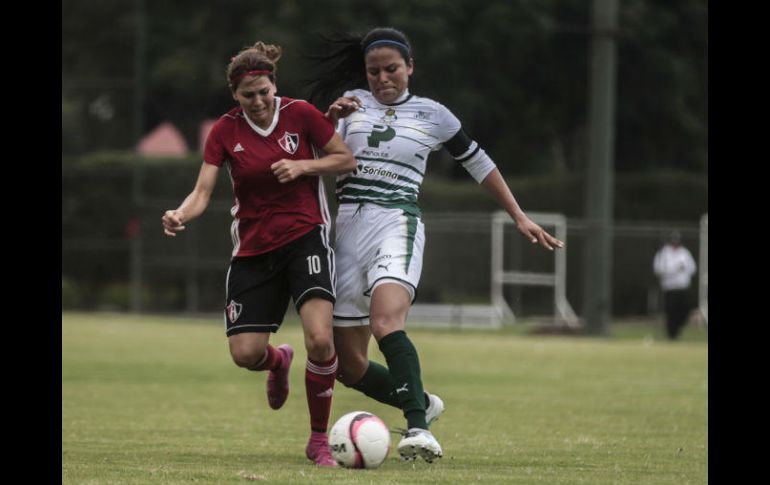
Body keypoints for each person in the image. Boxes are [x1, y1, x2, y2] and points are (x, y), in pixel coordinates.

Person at [304, 27, 564, 463]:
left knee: (388, 322)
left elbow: (479, 163)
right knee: (349, 366)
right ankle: (421, 400)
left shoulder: (434, 115)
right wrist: (329, 118)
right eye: (374, 71)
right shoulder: (350, 103)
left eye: (392, 69)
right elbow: (316, 153)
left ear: (410, 67)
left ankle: (419, 431)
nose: (383, 78)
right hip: (346, 229)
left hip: (395, 223)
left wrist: (518, 215)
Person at [161, 41, 356, 467]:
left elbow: (345, 159)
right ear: (235, 95)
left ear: (274, 86)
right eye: (248, 95)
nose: (258, 101)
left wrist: (304, 166)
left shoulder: (302, 114)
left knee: (321, 340)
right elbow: (202, 192)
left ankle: (319, 440)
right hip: (253, 250)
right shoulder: (224, 132)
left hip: (307, 239)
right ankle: (277, 359)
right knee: (245, 354)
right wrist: (180, 214)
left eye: (264, 92)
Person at [653, 230, 697, 340]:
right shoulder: (663, 253)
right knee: (671, 312)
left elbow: (692, 268)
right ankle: (672, 335)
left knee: (685, 310)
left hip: (683, 288)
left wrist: (683, 268)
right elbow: (658, 269)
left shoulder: (684, 253)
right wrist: (674, 269)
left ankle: (677, 330)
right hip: (670, 288)